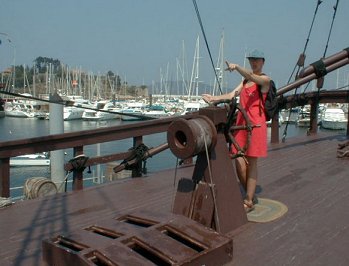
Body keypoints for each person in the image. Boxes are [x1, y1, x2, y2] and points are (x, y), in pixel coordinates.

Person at [202, 49, 270, 212]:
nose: (254, 63)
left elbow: (254, 77)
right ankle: (250, 192)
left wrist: (237, 67)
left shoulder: (265, 80)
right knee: (239, 160)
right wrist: (214, 98)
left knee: (252, 162)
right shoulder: (245, 81)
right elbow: (233, 94)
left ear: (263, 62)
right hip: (241, 123)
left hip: (255, 125)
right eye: (252, 60)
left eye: (257, 60)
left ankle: (248, 200)